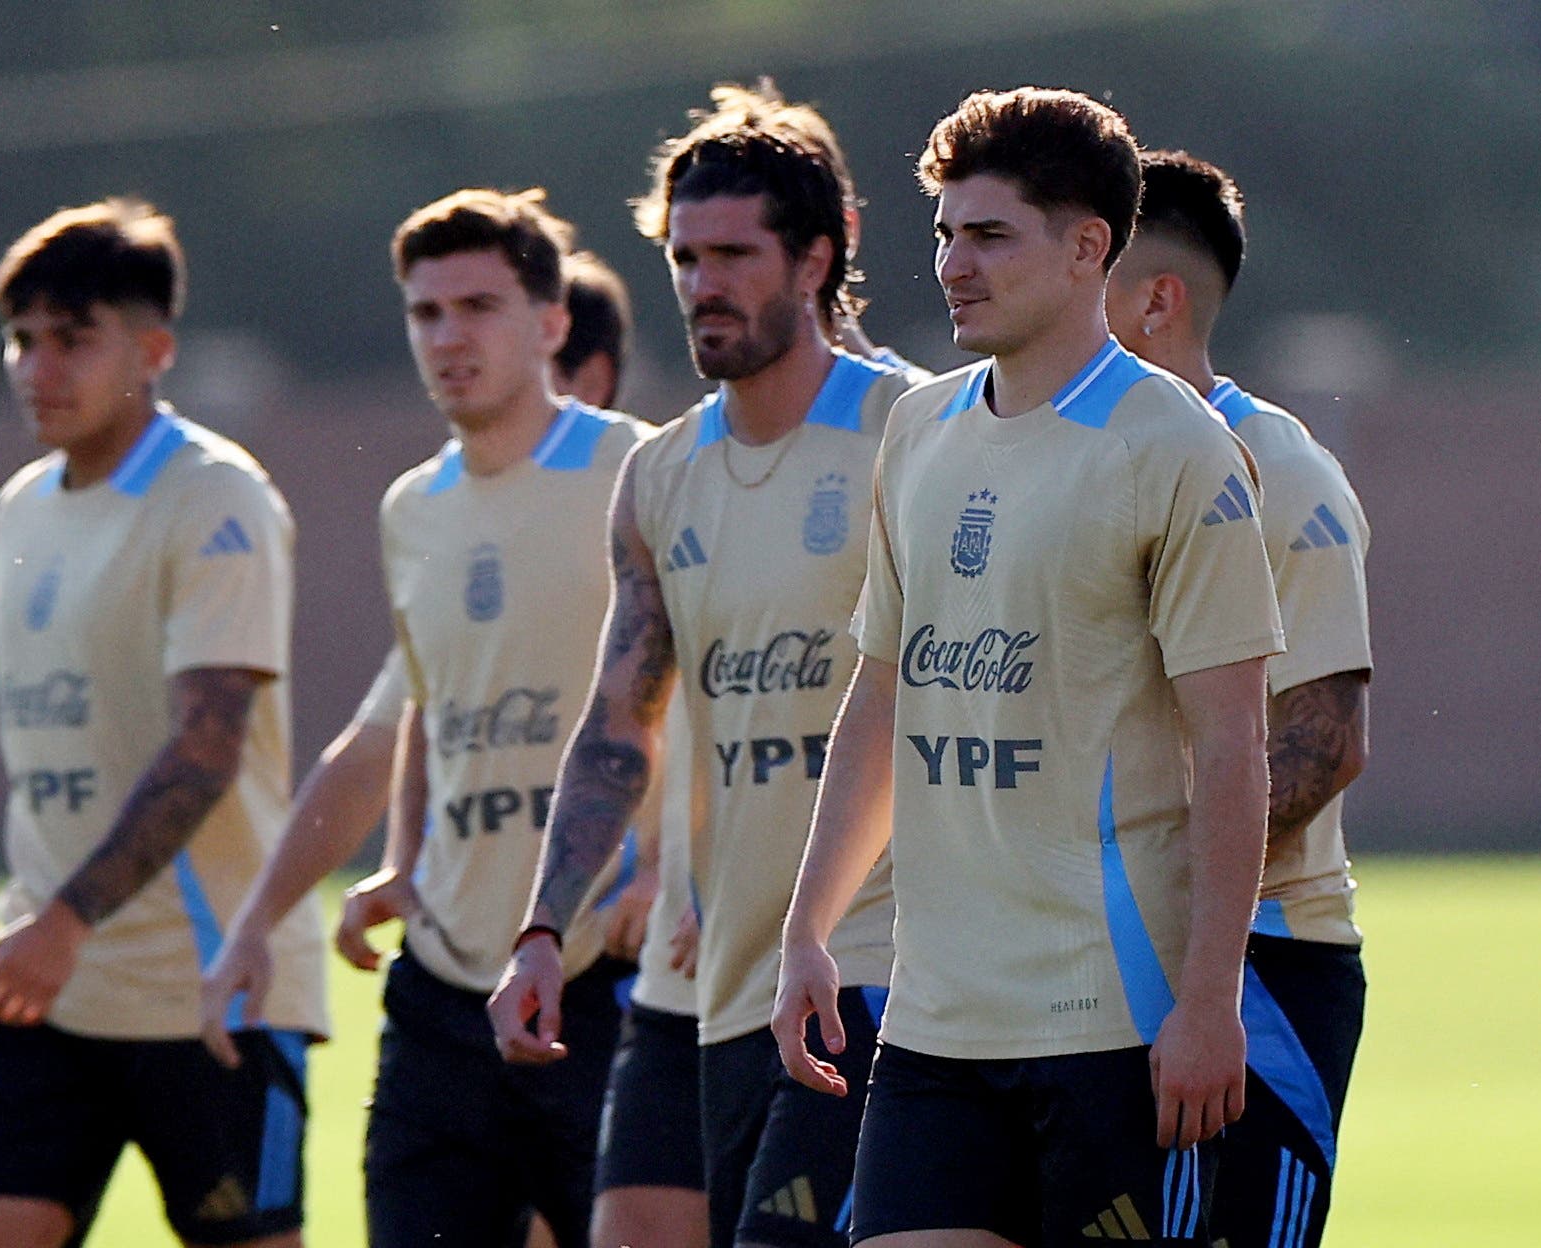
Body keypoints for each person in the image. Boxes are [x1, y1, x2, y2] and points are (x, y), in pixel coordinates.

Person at [772, 88, 1285, 1247]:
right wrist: (809, 925)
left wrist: (1208, 1002)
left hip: (1113, 1021)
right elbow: (883, 694)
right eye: (946, 232)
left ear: (1087, 247)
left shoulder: (1180, 451)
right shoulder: (918, 429)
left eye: (990, 234)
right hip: (936, 1027)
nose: (953, 262)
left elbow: (1233, 744)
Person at [488, 83, 918, 1248]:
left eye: (733, 254)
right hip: (722, 989)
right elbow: (619, 723)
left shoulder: (916, 435)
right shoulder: (661, 477)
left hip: (878, 969)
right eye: (683, 257)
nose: (700, 284)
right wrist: (544, 930)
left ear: (817, 259)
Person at [195, 241, 646, 1247]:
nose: (449, 336)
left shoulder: (635, 468)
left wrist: (668, 871)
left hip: (603, 975)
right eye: (426, 312)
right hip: (444, 995)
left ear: (552, 323)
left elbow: (694, 695)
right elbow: (406, 721)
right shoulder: (414, 508)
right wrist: (265, 918)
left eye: (479, 305)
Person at [0, 198, 324, 1248]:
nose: (36, 367)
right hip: (45, 990)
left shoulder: (213, 497)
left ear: (153, 351)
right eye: (21, 340)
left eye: (71, 339)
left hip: (209, 996)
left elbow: (206, 749)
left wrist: (66, 921)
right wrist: (49, 931)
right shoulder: (20, 504)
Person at [1105, 149, 1372, 1248]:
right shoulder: (1050, 464)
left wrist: (1158, 890)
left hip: (1259, 962)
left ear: (1155, 299)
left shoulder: (1281, 475)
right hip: (1081, 955)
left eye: (1086, 262)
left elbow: (1323, 741)